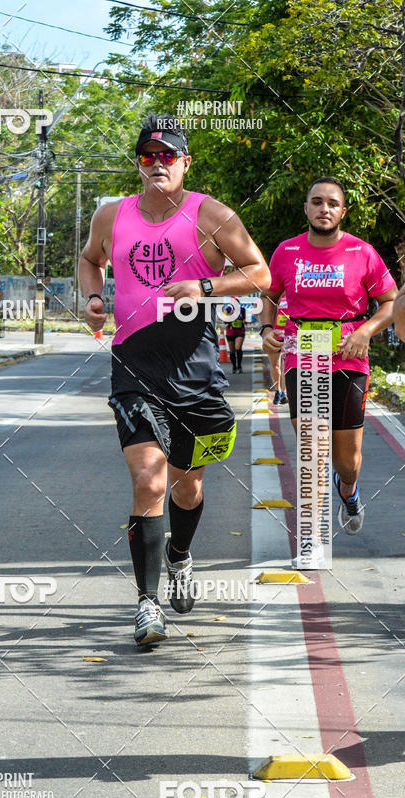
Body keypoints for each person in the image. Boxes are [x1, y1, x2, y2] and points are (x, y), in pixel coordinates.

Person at [80, 114, 270, 644]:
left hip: (195, 369)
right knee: (149, 479)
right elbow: (89, 260)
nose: (158, 163)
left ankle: (180, 557)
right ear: (139, 163)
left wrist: (205, 287)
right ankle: (147, 603)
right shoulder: (110, 216)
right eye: (148, 156)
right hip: (134, 364)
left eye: (168, 155)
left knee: (189, 487)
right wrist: (94, 297)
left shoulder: (211, 214)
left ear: (185, 162)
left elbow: (260, 273)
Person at [260, 177, 396, 558]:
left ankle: (348, 491)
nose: (324, 209)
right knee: (312, 446)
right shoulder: (286, 252)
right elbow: (270, 295)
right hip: (303, 350)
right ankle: (312, 538)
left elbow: (389, 302)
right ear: (306, 208)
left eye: (332, 203)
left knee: (346, 460)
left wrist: (366, 331)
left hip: (350, 356)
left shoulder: (362, 252)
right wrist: (268, 328)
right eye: (316, 202)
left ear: (342, 211)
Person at [266, 294, 288, 404]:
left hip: (290, 337)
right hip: (275, 336)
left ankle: (284, 393)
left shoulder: (296, 296)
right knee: (275, 365)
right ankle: (277, 391)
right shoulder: (272, 297)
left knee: (286, 366)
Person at [224, 301, 247, 373]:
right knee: (232, 351)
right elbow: (224, 321)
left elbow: (245, 319)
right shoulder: (228, 309)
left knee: (238, 348)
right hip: (230, 332)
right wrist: (230, 315)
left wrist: (244, 321)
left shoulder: (242, 310)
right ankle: (234, 367)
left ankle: (239, 366)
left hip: (240, 331)